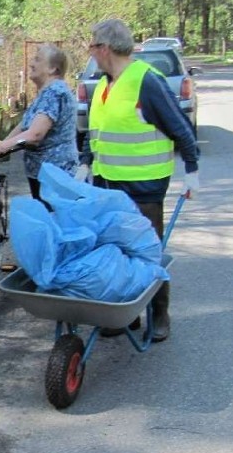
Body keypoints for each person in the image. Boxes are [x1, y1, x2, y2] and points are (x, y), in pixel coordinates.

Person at [77, 18, 200, 342]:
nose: (90, 51)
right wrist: (86, 162)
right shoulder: (104, 85)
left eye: (92, 45)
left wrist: (192, 171)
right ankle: (124, 314)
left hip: (143, 184)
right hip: (107, 183)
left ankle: (160, 313)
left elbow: (180, 128)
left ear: (104, 48)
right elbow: (96, 131)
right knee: (115, 250)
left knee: (147, 251)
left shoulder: (146, 81)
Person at [0, 43, 78, 204]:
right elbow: (24, 126)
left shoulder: (54, 93)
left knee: (54, 223)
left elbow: (35, 134)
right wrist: (2, 149)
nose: (31, 64)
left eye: (38, 60)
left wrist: (0, 148)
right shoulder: (45, 94)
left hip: (56, 177)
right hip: (45, 175)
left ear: (53, 69)